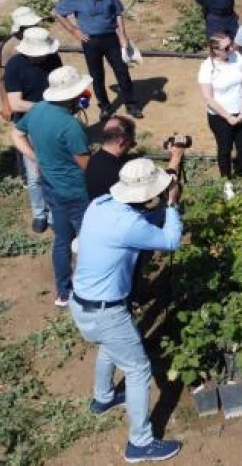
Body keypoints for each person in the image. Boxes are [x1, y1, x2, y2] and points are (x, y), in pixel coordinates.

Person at [71, 158, 184, 464]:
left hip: (82, 303)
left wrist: (160, 203)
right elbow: (171, 240)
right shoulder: (131, 225)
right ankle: (140, 443)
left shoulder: (100, 205)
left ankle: (103, 397)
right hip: (107, 312)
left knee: (110, 346)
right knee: (138, 369)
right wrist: (172, 205)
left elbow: (139, 220)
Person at [11, 65, 94, 307]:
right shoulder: (70, 126)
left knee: (61, 240)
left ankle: (63, 292)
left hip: (51, 186)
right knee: (89, 241)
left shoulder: (37, 111)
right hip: (77, 191)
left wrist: (35, 157)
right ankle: (89, 290)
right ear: (72, 94)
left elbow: (16, 134)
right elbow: (86, 165)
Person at [53, 0, 140, 119]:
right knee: (97, 75)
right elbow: (59, 12)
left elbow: (118, 13)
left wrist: (123, 36)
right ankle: (105, 106)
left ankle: (131, 104)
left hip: (110, 37)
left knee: (122, 71)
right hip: (90, 41)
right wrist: (74, 31)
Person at [3, 27, 64, 232]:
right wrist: (45, 107)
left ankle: (55, 214)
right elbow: (16, 103)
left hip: (53, 123)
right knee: (35, 173)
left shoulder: (53, 60)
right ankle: (40, 213)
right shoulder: (14, 66)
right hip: (29, 124)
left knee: (55, 170)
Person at [199, 32, 242, 179]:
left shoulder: (237, 57)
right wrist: (228, 116)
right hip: (220, 116)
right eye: (226, 48)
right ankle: (226, 181)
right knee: (225, 149)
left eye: (231, 44)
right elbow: (208, 97)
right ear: (215, 50)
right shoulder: (207, 68)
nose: (231, 48)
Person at [0, 6, 45, 121]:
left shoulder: (41, 38)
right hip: (20, 92)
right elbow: (3, 79)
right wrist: (6, 105)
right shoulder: (8, 47)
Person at [85, 115, 139, 199]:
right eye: (131, 143)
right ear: (122, 142)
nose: (131, 147)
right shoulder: (120, 175)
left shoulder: (94, 159)